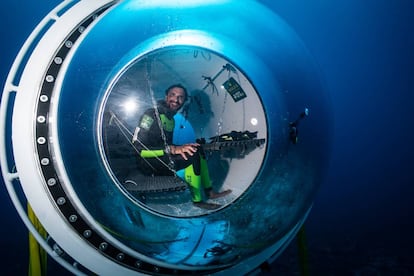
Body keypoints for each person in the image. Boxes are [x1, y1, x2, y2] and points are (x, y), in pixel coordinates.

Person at [132, 84, 231, 210]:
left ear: (184, 101)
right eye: (173, 95)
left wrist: (183, 147)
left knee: (196, 149)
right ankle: (197, 200)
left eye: (181, 97)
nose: (176, 99)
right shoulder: (151, 114)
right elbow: (138, 148)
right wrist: (172, 149)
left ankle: (210, 192)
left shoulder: (172, 121)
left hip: (161, 159)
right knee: (192, 155)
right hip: (146, 162)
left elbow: (165, 145)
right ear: (166, 96)